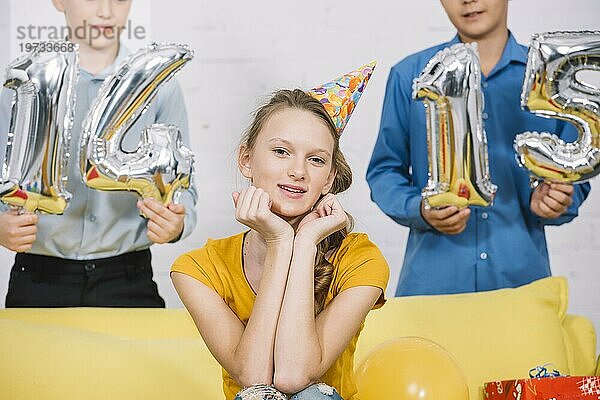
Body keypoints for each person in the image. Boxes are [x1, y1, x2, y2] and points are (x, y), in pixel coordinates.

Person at [171, 77, 389, 399]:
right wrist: (279, 242)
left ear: (329, 178)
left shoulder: (361, 259)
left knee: (312, 395)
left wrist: (302, 245)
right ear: (246, 160)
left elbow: (293, 375)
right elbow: (255, 378)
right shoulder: (197, 269)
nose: (298, 171)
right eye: (281, 151)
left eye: (316, 159)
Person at [366, 0, 590, 296]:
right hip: (432, 291)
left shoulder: (548, 77)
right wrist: (419, 208)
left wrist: (559, 200)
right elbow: (384, 171)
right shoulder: (410, 75)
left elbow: (576, 169)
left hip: (522, 291)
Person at [0, 0, 197, 307]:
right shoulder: (25, 85)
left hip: (128, 278)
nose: (106, 11)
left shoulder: (160, 87)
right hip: (38, 279)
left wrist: (176, 224)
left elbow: (184, 187)